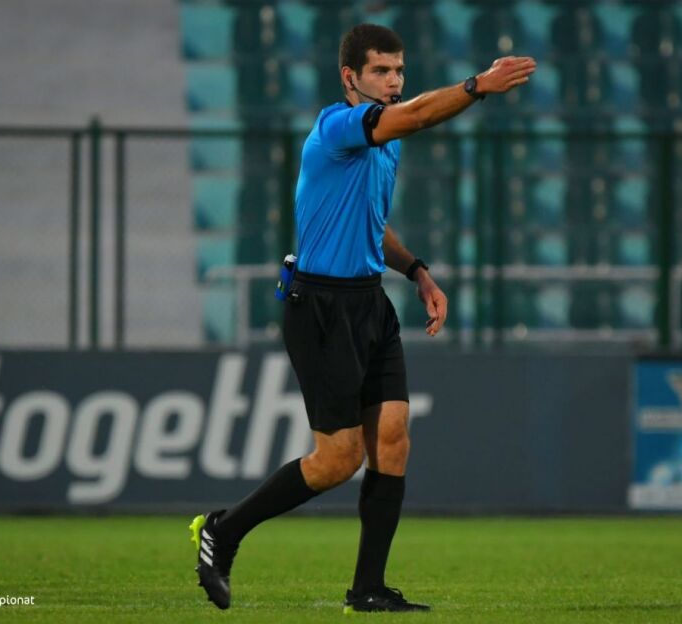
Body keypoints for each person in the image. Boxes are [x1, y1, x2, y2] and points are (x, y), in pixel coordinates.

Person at [190, 23, 536, 613]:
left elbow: (371, 221)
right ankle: (223, 531)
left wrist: (417, 271)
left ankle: (368, 589)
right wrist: (477, 86)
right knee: (337, 461)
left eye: (399, 70)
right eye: (381, 70)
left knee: (393, 440)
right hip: (320, 307)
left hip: (370, 302)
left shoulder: (384, 139)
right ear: (350, 77)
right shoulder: (337, 127)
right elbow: (417, 116)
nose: (394, 80)